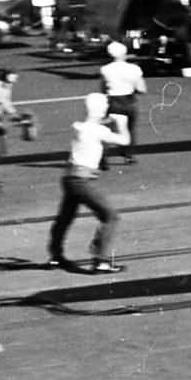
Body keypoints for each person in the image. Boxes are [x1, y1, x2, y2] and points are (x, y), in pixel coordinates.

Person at [47, 94, 129, 273]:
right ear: (101, 109)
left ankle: (55, 256)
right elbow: (125, 141)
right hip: (81, 181)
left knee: (65, 218)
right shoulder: (97, 131)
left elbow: (94, 124)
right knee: (110, 216)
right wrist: (122, 123)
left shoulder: (80, 127)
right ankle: (101, 260)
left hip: (69, 177)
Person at [98, 40, 146, 163]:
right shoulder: (134, 68)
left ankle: (104, 156)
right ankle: (128, 155)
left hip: (113, 102)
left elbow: (103, 88)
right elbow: (141, 89)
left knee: (108, 129)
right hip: (129, 101)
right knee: (130, 128)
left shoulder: (105, 69)